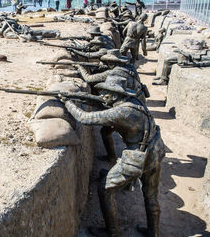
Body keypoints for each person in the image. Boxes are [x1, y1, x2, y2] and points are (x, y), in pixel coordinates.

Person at [60, 76, 165, 237]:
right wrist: (81, 97)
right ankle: (154, 232)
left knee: (105, 189)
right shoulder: (134, 103)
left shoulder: (121, 112)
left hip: (139, 157)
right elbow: (101, 102)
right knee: (151, 195)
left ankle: (113, 232)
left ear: (115, 96)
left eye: (105, 93)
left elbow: (85, 118)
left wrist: (68, 103)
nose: (102, 96)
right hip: (156, 151)